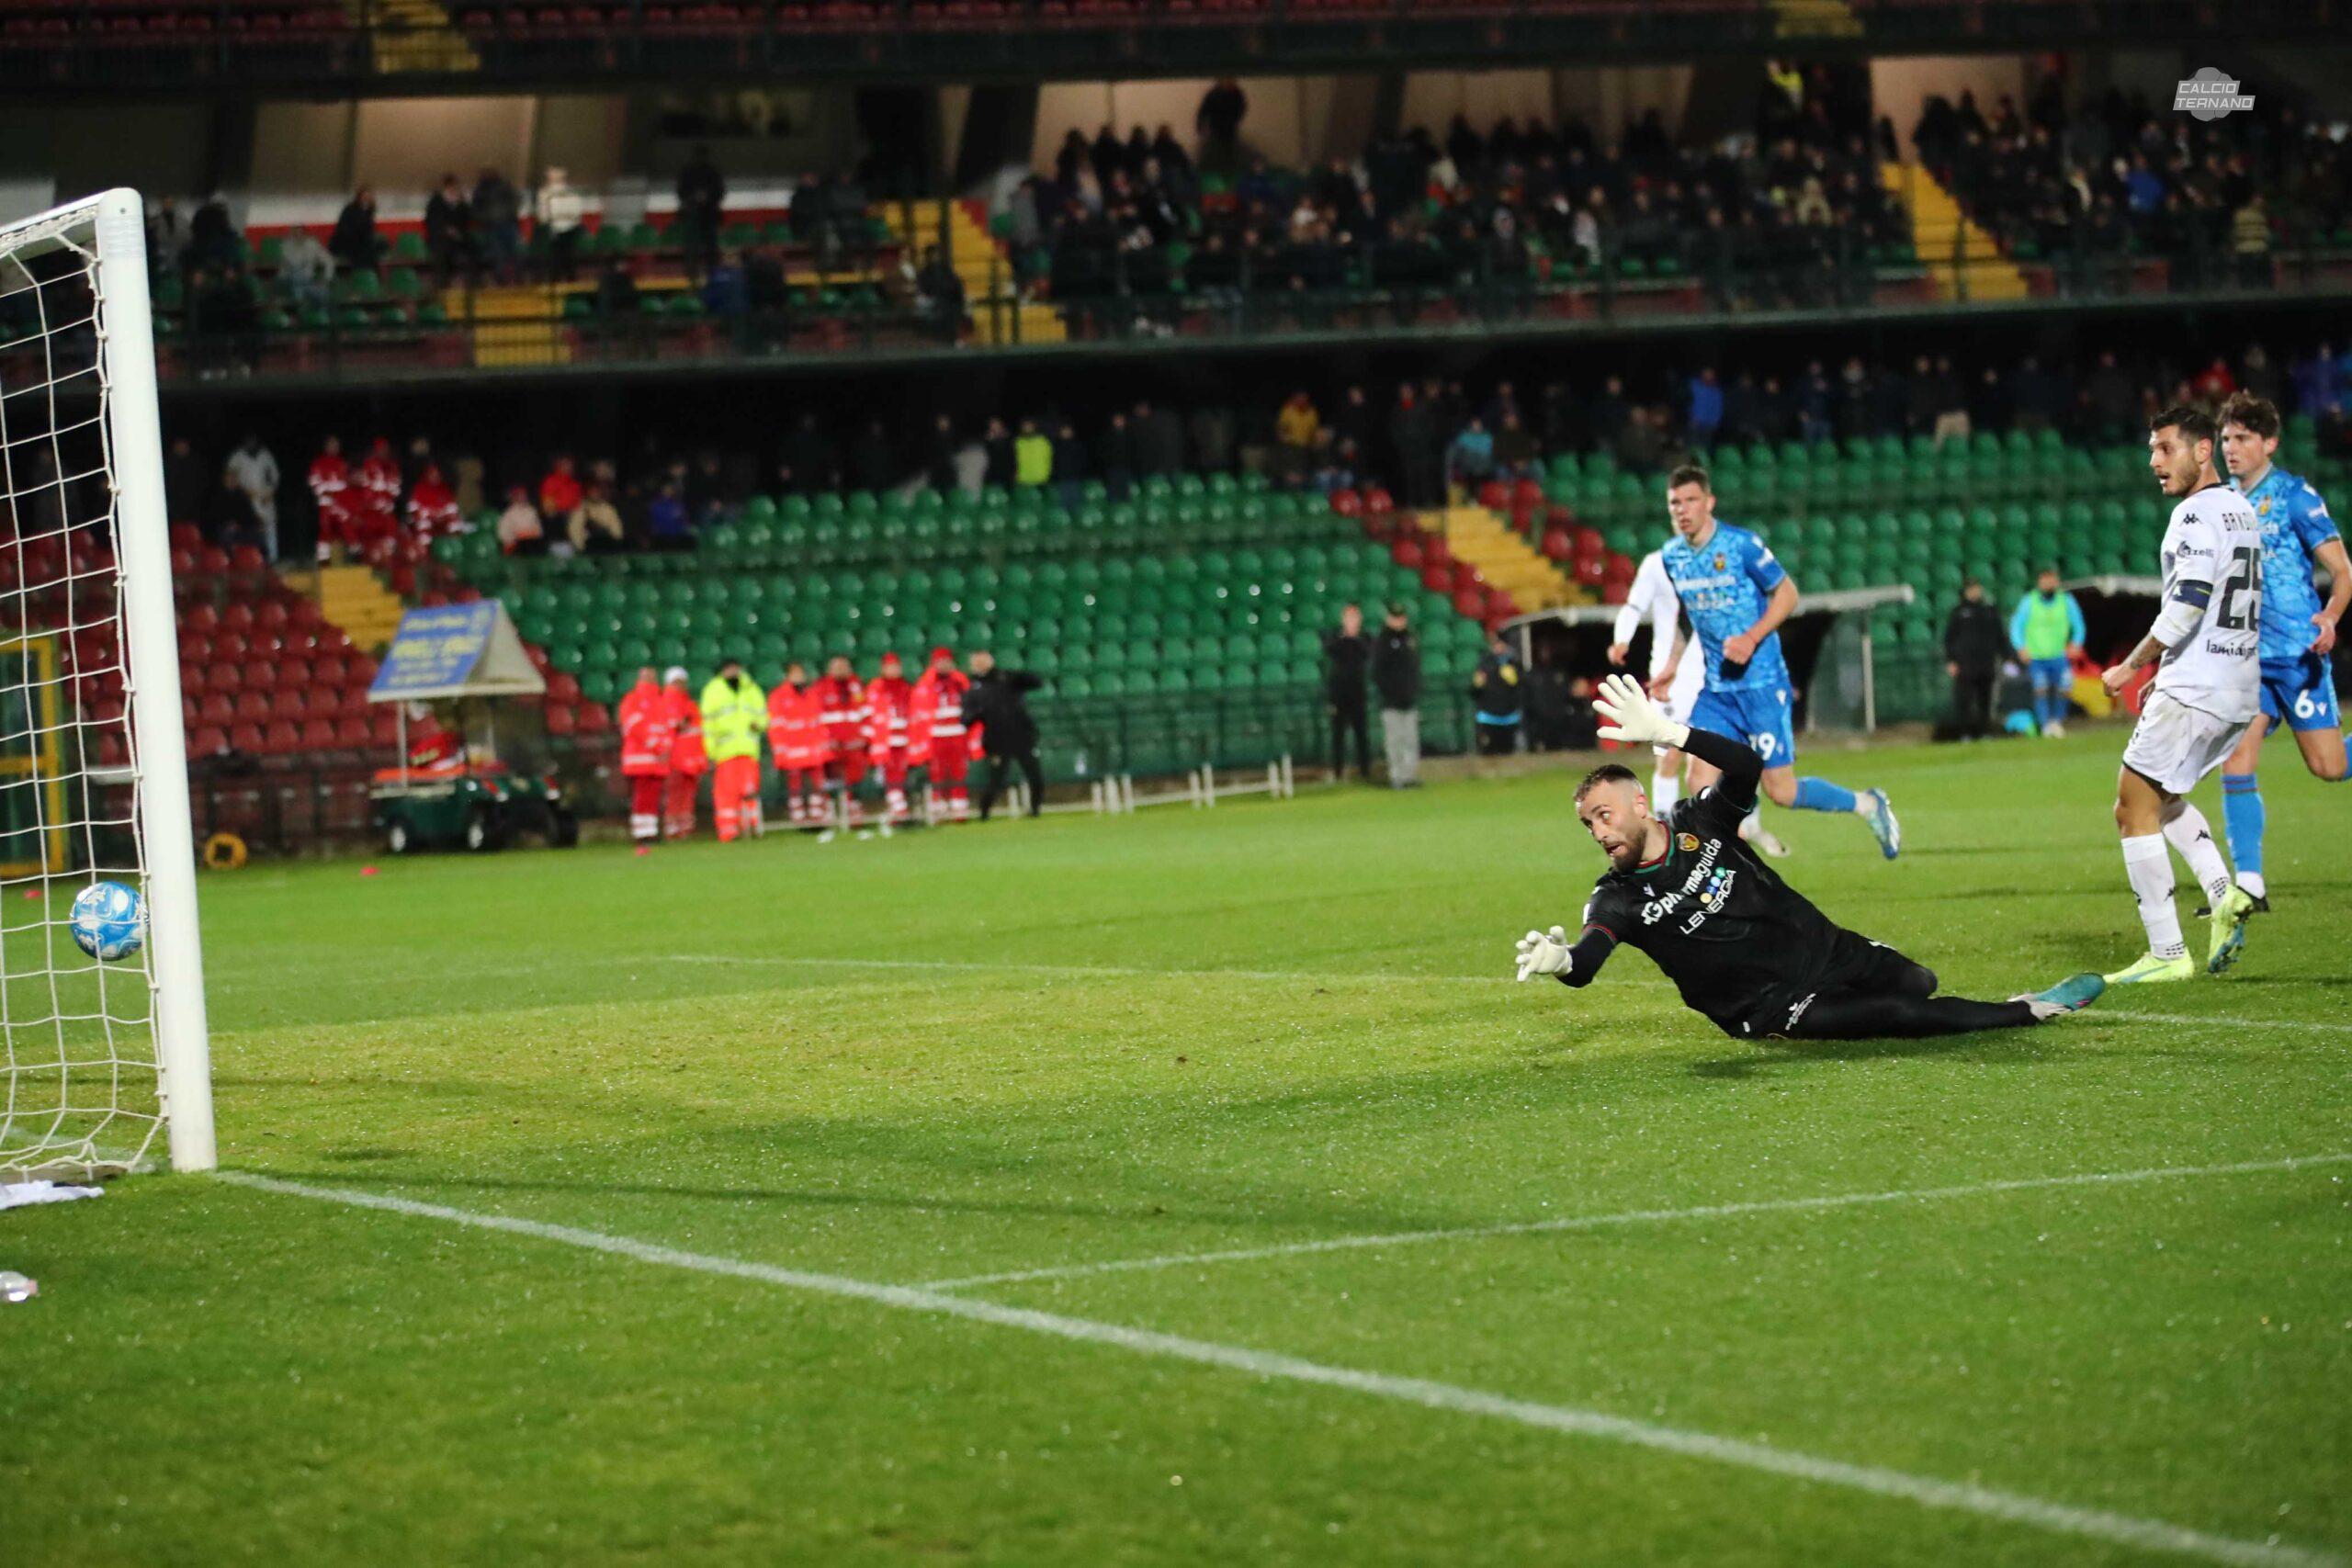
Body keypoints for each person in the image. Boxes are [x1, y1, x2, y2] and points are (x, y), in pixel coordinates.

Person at [1513, 673, 2102, 1038]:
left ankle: (1886, 987)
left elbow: (1745, 766)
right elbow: (1587, 962)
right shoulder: (1617, 896)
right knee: (1898, 1017)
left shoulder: (1700, 821)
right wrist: (1561, 961)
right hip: (1772, 1006)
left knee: (1917, 981)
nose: (1597, 831)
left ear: (1640, 803)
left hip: (1824, 948)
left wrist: (1670, 732)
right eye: (1588, 823)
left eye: (1604, 814)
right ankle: (2026, 1011)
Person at [1651, 464, 1899, 857]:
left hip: (1762, 686)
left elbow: (1787, 594)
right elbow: (1688, 614)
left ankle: (1867, 804)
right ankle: (1727, 869)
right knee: (1699, 777)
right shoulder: (1672, 557)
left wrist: (1751, 638)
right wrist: (1672, 665)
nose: (1682, 509)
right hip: (1717, 690)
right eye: (1674, 503)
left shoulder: (1741, 545)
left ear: (1709, 502)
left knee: (1781, 790)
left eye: (1691, 500)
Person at [2100, 406, 2265, 986]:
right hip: (2236, 686)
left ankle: (2167, 952)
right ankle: (2224, 894)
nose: (2154, 462)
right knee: (2162, 795)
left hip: (2199, 685)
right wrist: (2162, 674)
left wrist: (2130, 665)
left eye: (2165, 449)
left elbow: (2190, 600)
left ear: (2202, 452)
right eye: (2151, 449)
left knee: (2131, 806)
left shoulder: (2193, 516)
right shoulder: (2242, 510)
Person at [2214, 391, 2349, 912]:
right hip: (2247, 661)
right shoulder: (2220, 502)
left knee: (2329, 767)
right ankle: (2250, 884)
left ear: (2269, 442)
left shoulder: (2296, 496)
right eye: (2226, 438)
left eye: (2243, 438)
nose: (2232, 447)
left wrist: (2330, 617)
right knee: (2237, 761)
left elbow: (2343, 571)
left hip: (2298, 654)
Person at [2008, 568, 2086, 737]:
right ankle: (2045, 724)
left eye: (2052, 579)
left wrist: (2076, 643)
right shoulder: (2029, 601)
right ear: (2039, 582)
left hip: (2059, 655)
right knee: (2040, 689)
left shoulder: (2066, 601)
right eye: (2046, 579)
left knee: (2065, 688)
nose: (2049, 583)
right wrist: (2020, 647)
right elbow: (2016, 626)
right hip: (2037, 656)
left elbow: (2078, 624)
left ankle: (2057, 722)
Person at [967, 650, 1045, 820]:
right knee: (996, 779)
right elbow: (966, 717)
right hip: (997, 739)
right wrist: (977, 714)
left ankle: (1035, 809)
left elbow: (1036, 682)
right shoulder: (973, 687)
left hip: (1022, 735)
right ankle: (984, 812)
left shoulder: (1007, 678)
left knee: (1035, 775)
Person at [698, 658, 766, 842]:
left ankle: (752, 826)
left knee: (749, 791)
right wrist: (710, 752)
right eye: (729, 669)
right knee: (726, 794)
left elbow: (763, 716)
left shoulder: (751, 688)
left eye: (735, 668)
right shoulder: (713, 691)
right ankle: (728, 830)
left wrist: (758, 724)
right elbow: (708, 725)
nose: (733, 672)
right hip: (725, 752)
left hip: (748, 750)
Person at [910, 647, 974, 822]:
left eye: (946, 661)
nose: (943, 665)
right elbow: (919, 712)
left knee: (959, 772)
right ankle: (939, 807)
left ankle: (959, 808)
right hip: (936, 735)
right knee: (937, 772)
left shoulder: (960, 681)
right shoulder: (926, 683)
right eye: (940, 661)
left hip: (958, 734)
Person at [766, 661, 829, 828]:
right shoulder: (778, 696)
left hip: (812, 748)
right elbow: (777, 726)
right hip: (793, 750)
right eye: (795, 673)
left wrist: (822, 745)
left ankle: (817, 814)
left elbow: (818, 721)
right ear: (787, 676)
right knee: (794, 783)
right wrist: (781, 751)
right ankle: (798, 815)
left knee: (817, 782)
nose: (799, 677)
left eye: (800, 673)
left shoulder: (811, 694)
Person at [811, 653, 871, 828]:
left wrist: (864, 737)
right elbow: (816, 717)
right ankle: (830, 812)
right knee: (830, 779)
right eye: (837, 667)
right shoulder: (821, 688)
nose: (841, 670)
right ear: (829, 669)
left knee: (855, 778)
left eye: (844, 666)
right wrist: (826, 739)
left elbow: (866, 713)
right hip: (832, 744)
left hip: (854, 744)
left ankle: (854, 813)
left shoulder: (857, 686)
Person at [1943, 578, 2006, 740]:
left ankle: (1985, 732)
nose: (1974, 592)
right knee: (1964, 700)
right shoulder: (1958, 612)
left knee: (1985, 699)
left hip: (1986, 662)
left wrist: (2007, 657)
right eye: (1971, 589)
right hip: (1965, 664)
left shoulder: (1990, 610)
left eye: (1976, 588)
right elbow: (1949, 638)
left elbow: (2000, 635)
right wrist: (1951, 660)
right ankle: (1965, 734)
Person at [616, 666, 670, 852]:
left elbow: (667, 727)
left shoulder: (660, 701)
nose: (649, 678)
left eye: (651, 675)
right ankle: (641, 834)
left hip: (656, 760)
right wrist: (657, 745)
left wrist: (664, 748)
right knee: (642, 797)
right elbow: (634, 726)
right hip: (640, 759)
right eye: (645, 675)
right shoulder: (632, 700)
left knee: (653, 797)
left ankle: (650, 832)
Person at [864, 651, 918, 825]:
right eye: (890, 667)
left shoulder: (907, 688)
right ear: (883, 668)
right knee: (891, 777)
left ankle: (899, 811)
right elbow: (869, 715)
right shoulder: (876, 688)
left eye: (896, 666)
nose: (893, 670)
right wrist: (870, 741)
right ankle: (900, 813)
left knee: (901, 777)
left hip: (905, 741)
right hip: (885, 743)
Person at [1372, 603, 1421, 788]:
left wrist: (1414, 688)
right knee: (1394, 740)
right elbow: (1378, 671)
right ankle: (1396, 776)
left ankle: (1409, 775)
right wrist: (1388, 692)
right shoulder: (1383, 641)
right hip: (1391, 701)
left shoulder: (1410, 638)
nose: (1399, 621)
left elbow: (1415, 667)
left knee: (1410, 739)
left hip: (1409, 699)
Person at [1322, 604, 1373, 780]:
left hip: (1358, 692)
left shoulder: (1365, 638)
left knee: (1361, 734)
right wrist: (1346, 638)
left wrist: (1354, 639)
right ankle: (1338, 771)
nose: (1352, 621)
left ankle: (1365, 771)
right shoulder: (1334, 636)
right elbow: (1331, 651)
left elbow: (1367, 653)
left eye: (1355, 617)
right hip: (1339, 693)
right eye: (1349, 617)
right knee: (1338, 734)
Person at [660, 666, 707, 840]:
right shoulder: (667, 702)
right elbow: (672, 726)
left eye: (682, 682)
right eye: (676, 682)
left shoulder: (690, 704)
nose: (680, 685)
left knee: (688, 793)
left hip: (691, 756)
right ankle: (672, 828)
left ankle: (685, 828)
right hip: (675, 756)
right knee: (674, 792)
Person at [224, 433, 279, 561]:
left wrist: (270, 493)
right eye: (249, 440)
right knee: (253, 529)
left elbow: (274, 476)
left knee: (270, 527)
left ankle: (272, 559)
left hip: (266, 498)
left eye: (253, 440)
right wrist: (243, 492)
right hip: (247, 499)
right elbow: (230, 477)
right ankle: (255, 560)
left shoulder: (266, 455)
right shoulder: (237, 456)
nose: (251, 442)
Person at [1470, 630, 1522, 755]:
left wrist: (1517, 681)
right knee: (1488, 754)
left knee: (1507, 754)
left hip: (1509, 718)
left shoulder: (1514, 663)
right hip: (1488, 718)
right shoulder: (1484, 663)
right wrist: (1476, 685)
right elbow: (1474, 692)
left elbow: (1521, 690)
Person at [307, 434, 352, 561]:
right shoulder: (318, 463)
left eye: (336, 445)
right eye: (331, 444)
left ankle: (350, 557)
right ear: (326, 446)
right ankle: (323, 559)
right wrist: (327, 494)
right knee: (325, 529)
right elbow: (314, 483)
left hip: (341, 503)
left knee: (346, 528)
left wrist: (344, 500)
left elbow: (346, 484)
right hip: (326, 503)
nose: (334, 447)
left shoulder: (342, 463)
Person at [496, 486, 545, 555]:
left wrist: (531, 534)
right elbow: (502, 534)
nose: (522, 497)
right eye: (519, 495)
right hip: (516, 545)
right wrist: (516, 536)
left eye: (524, 495)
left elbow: (539, 530)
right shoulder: (509, 513)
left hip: (532, 543)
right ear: (514, 497)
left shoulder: (531, 511)